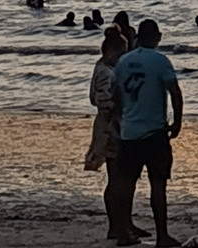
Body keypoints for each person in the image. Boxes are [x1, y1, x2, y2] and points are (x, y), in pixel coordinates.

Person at [112, 19, 183, 247]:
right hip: (154, 132)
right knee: (158, 185)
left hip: (129, 131)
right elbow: (175, 92)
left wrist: (120, 120)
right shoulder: (160, 61)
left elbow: (116, 96)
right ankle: (162, 235)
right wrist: (178, 122)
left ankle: (123, 232)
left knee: (125, 184)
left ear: (136, 38)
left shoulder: (123, 62)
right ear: (158, 37)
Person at [85, 27, 149, 242]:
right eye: (122, 52)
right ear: (112, 51)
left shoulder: (107, 69)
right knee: (118, 180)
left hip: (116, 126)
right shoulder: (105, 72)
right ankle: (118, 227)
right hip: (112, 129)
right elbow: (101, 101)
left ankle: (124, 223)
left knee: (122, 178)